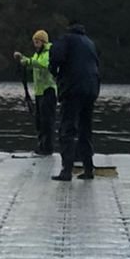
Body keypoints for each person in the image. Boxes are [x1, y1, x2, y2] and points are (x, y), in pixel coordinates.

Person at [49, 21, 100, 180]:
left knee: (67, 129)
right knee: (86, 129)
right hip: (92, 88)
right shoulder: (90, 42)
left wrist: (54, 71)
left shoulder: (66, 39)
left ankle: (66, 170)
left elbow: (56, 57)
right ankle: (88, 169)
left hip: (73, 88)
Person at [14, 30, 57, 156]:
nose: (35, 44)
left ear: (43, 41)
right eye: (34, 42)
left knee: (47, 121)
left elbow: (43, 64)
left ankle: (48, 148)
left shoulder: (48, 53)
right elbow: (32, 63)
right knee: (39, 121)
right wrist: (22, 60)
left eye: (37, 41)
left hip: (48, 91)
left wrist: (27, 61)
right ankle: (41, 146)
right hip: (39, 92)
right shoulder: (37, 54)